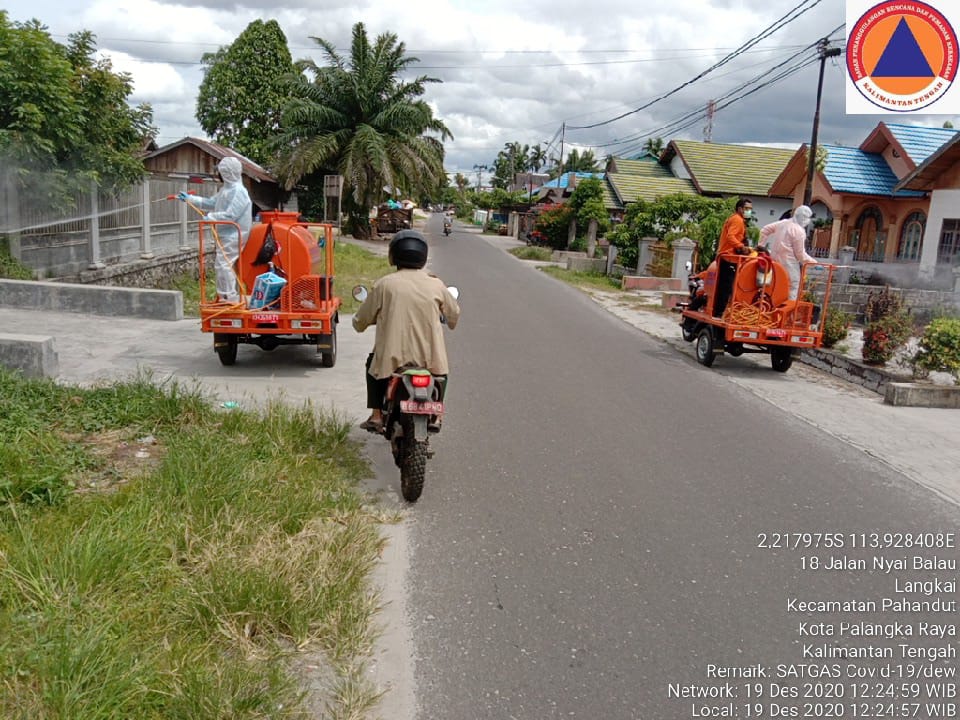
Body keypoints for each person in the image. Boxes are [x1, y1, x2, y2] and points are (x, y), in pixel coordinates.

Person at [352, 230, 461, 433]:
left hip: (392, 359)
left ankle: (376, 415)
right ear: (423, 256)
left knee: (371, 363)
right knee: (442, 374)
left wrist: (361, 322)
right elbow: (454, 316)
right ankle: (436, 415)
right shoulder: (437, 284)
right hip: (430, 359)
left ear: (393, 256)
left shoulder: (384, 284)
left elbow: (360, 322)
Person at [178, 156, 252, 303]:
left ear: (226, 172)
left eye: (221, 171)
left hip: (234, 234)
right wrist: (190, 199)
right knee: (224, 264)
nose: (218, 174)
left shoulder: (239, 192)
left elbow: (231, 215)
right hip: (226, 233)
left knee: (223, 264)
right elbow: (212, 202)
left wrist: (211, 217)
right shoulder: (226, 190)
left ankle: (228, 296)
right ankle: (226, 295)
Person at [759, 205, 816, 300]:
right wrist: (814, 262)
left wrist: (761, 246)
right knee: (793, 285)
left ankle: (771, 307)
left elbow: (765, 230)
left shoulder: (782, 223)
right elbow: (800, 255)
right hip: (789, 264)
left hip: (774, 262)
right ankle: (788, 310)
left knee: (774, 285)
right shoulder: (799, 231)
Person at [712, 197, 754, 317]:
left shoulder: (738, 220)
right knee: (726, 288)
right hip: (729, 257)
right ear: (740, 209)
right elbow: (731, 236)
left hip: (730, 257)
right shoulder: (737, 220)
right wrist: (741, 246)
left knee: (726, 286)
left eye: (750, 209)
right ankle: (719, 313)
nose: (749, 211)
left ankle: (721, 311)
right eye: (747, 209)